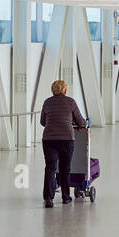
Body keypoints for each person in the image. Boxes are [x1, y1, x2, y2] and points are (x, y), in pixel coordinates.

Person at [39, 79, 87, 208]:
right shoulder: (70, 102)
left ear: (52, 90)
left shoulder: (47, 102)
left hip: (49, 139)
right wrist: (78, 125)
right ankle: (66, 197)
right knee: (65, 168)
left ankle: (48, 198)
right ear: (65, 90)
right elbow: (81, 122)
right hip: (66, 139)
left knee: (50, 168)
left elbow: (43, 122)